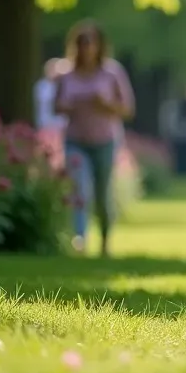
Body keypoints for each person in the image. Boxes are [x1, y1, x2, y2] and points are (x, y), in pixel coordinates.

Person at [54, 19, 136, 257]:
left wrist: (105, 105)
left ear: (99, 45)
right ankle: (79, 238)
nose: (86, 47)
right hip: (75, 140)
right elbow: (56, 106)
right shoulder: (66, 74)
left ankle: (105, 241)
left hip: (104, 141)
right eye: (81, 42)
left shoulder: (112, 73)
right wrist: (70, 106)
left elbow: (128, 109)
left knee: (102, 194)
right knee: (79, 189)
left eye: (90, 42)